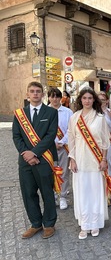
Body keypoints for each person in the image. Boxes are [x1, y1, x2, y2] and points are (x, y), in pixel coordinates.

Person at [12, 81, 58, 239]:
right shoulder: (19, 114)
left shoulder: (51, 113)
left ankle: (49, 224)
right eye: (32, 91)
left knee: (47, 192)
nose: (35, 94)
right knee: (28, 193)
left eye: (38, 91)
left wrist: (35, 153)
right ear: (27, 94)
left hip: (44, 159)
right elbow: (16, 136)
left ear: (43, 94)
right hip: (25, 161)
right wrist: (26, 153)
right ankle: (36, 224)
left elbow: (50, 136)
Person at [68, 87, 111, 239]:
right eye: (84, 98)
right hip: (80, 160)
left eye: (90, 98)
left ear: (94, 100)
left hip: (96, 161)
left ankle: (95, 223)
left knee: (95, 192)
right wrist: (72, 159)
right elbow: (71, 140)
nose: (87, 101)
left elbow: (105, 142)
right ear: (80, 100)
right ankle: (84, 224)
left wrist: (104, 159)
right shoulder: (74, 118)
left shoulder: (100, 118)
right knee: (82, 192)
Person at [48, 88, 73, 210]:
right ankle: (52, 195)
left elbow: (71, 129)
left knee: (63, 172)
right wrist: (52, 143)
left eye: (57, 97)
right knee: (50, 172)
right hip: (48, 148)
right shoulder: (44, 111)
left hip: (64, 147)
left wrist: (62, 142)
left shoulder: (68, 112)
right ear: (48, 98)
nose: (55, 99)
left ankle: (63, 196)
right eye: (52, 97)